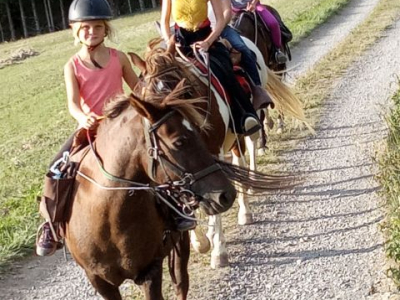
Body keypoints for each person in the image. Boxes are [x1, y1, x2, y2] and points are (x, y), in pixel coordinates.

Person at [36, 0, 141, 257]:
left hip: (121, 125)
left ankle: (177, 209)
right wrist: (83, 118)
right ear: (75, 30)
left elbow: (138, 90)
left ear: (106, 30)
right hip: (90, 128)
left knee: (155, 155)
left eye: (97, 27)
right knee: (56, 170)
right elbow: (72, 104)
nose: (91, 32)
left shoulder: (120, 58)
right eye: (85, 28)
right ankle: (51, 225)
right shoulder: (71, 65)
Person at [161, 0, 262, 137]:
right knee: (165, 79)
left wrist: (208, 42)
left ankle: (245, 115)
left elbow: (220, 20)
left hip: (205, 38)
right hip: (180, 43)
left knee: (225, 69)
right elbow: (164, 22)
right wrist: (170, 43)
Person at [208, 0, 272, 108]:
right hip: (200, 35)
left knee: (243, 49)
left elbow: (227, 12)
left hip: (223, 29)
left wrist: (217, 30)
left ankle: (258, 89)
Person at [231, 0, 287, 64]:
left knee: (273, 24)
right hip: (234, 11)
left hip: (254, 6)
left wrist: (253, 4)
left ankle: (277, 50)